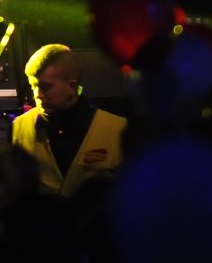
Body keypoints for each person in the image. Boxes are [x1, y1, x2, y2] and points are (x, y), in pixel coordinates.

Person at [11, 44, 127, 196]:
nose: (38, 95)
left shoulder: (118, 130)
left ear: (72, 86)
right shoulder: (19, 127)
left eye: (45, 87)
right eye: (33, 86)